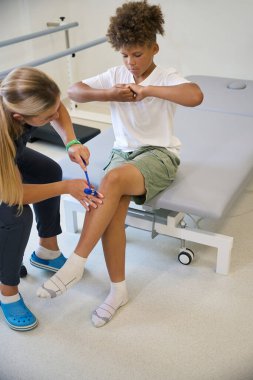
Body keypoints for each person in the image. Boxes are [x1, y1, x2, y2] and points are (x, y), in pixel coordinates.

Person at [37, 0, 203, 327]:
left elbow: (195, 95)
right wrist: (109, 95)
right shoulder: (116, 75)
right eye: (125, 55)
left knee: (108, 184)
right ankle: (118, 291)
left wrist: (146, 90)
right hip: (122, 155)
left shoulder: (167, 76)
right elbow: (75, 91)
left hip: (159, 155)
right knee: (112, 212)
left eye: (138, 55)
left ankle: (75, 264)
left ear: (154, 48)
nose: (131, 62)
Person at [0, 66, 103, 331]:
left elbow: (57, 109)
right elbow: (12, 194)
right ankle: (7, 291)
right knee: (17, 214)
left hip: (9, 153)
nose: (55, 116)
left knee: (48, 171)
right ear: (19, 117)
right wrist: (66, 187)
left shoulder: (20, 89)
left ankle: (46, 251)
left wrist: (72, 143)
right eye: (47, 117)